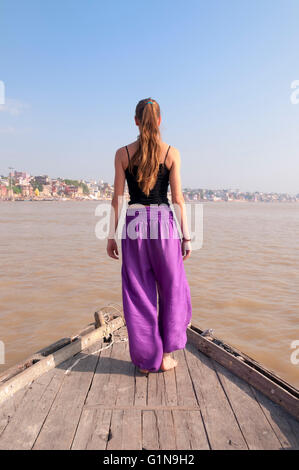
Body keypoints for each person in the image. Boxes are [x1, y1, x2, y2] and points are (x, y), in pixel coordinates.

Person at [107, 97, 192, 374]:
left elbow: (117, 199)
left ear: (135, 121)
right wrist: (186, 236)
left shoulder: (123, 153)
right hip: (163, 223)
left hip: (134, 224)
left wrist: (111, 235)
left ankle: (146, 361)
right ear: (159, 121)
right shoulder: (172, 153)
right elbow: (177, 199)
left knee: (138, 291)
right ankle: (165, 356)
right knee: (171, 287)